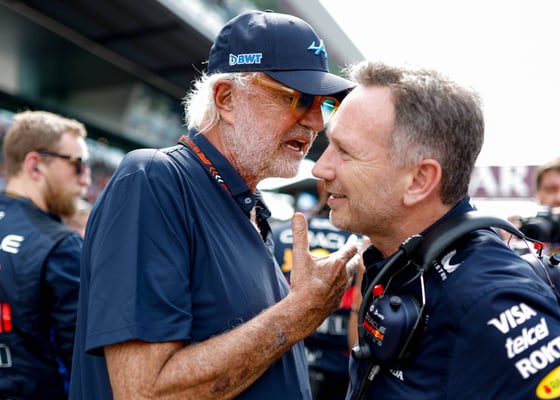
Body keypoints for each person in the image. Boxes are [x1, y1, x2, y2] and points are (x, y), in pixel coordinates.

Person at [69, 10, 358, 400]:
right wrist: (299, 313)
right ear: (226, 98)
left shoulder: (245, 204)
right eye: (298, 99)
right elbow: (145, 391)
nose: (316, 123)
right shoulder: (154, 179)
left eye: (324, 104)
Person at [311, 60, 560, 399]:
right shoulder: (400, 261)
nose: (321, 168)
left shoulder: (489, 301)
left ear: (419, 180)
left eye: (345, 151)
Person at [0, 110, 90, 399]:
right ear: (35, 165)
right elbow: (82, 368)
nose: (86, 179)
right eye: (78, 165)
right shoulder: (59, 245)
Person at [273, 182, 360, 400]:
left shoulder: (276, 234)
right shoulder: (363, 245)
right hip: (343, 374)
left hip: (283, 364)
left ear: (321, 188)